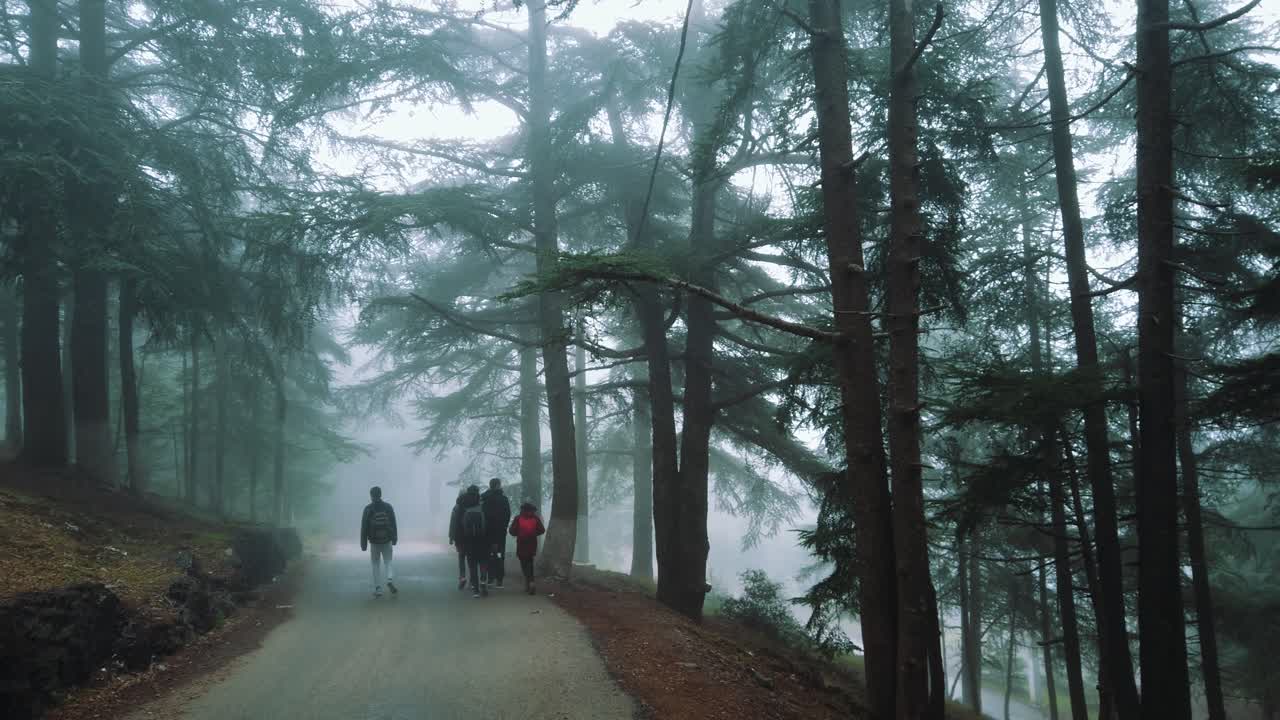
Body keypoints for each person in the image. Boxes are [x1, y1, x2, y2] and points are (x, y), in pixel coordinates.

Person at [360, 486, 398, 598]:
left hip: (374, 541)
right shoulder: (388, 507)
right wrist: (395, 537)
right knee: (388, 561)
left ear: (371, 495)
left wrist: (363, 543)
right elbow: (393, 523)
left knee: (375, 564)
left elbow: (364, 527)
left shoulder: (368, 509)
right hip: (387, 540)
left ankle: (378, 589)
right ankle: (390, 579)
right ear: (380, 494)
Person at [480, 478, 512, 589]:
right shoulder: (503, 499)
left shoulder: (483, 498)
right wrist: (504, 527)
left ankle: (490, 578)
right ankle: (499, 580)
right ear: (498, 485)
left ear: (490, 485)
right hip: (499, 534)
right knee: (499, 555)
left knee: (488, 555)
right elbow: (508, 514)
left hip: (487, 534)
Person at [458, 485, 489, 598]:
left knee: (472, 565)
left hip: (470, 542)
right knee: (483, 563)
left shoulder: (466, 512)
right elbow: (485, 527)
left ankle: (475, 590)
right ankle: (483, 581)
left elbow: (464, 528)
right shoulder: (482, 510)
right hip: (482, 541)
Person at [508, 501, 546, 595]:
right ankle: (531, 582)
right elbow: (542, 530)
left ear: (522, 509)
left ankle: (528, 582)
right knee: (530, 562)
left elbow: (512, 531)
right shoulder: (535, 518)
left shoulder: (518, 518)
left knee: (523, 563)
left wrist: (519, 534)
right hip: (532, 543)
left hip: (521, 543)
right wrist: (533, 534)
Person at [447, 489, 467, 590]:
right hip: (472, 536)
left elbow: (453, 523)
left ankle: (462, 576)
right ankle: (474, 580)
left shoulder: (456, 507)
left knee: (461, 557)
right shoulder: (473, 506)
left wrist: (451, 537)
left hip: (460, 537)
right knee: (472, 559)